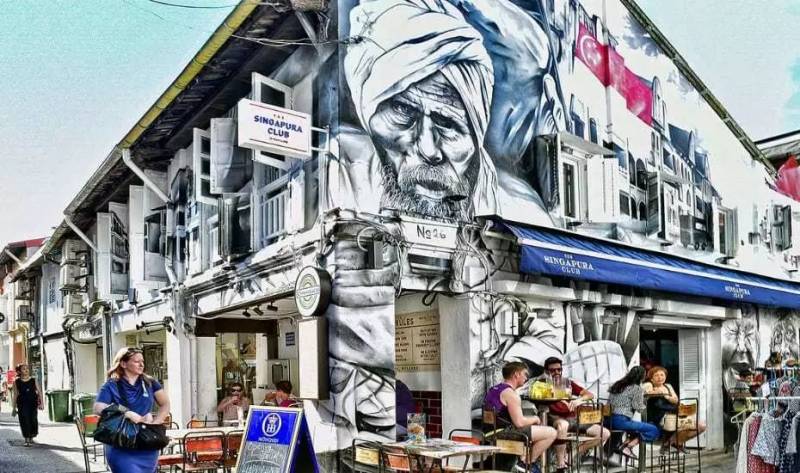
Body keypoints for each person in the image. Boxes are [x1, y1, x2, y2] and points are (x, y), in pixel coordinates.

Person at [94, 347, 170, 473]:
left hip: (147, 442)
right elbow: (98, 408)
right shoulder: (111, 385)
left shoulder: (150, 383)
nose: (141, 364)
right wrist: (126, 412)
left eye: (142, 361)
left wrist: (155, 423)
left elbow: (165, 404)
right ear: (123, 364)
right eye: (136, 361)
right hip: (121, 442)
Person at [484, 361, 558, 470]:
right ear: (516, 374)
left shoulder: (493, 389)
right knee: (551, 433)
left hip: (489, 432)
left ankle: (522, 459)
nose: (526, 378)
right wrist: (536, 419)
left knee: (533, 432)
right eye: (525, 374)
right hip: (502, 433)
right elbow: (519, 423)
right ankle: (526, 463)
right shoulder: (511, 394)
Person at [543, 357, 610, 472]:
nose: (557, 373)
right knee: (563, 425)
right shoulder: (542, 384)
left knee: (605, 433)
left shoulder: (567, 383)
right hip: (556, 418)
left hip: (574, 419)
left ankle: (572, 454)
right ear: (546, 371)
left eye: (559, 370)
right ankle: (561, 465)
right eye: (553, 370)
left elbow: (589, 394)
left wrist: (579, 400)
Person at [643, 366, 706, 452]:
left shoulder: (668, 386)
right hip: (660, 419)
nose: (660, 377)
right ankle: (670, 443)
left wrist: (666, 396)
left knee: (701, 426)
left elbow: (676, 400)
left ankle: (674, 443)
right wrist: (657, 392)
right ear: (651, 378)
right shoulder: (649, 385)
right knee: (687, 425)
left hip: (674, 415)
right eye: (656, 375)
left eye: (662, 375)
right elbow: (647, 393)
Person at [606, 366, 659, 460]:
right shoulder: (636, 388)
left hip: (608, 420)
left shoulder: (617, 385)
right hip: (621, 421)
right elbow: (638, 408)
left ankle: (624, 444)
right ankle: (628, 447)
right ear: (642, 377)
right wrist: (646, 399)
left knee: (638, 430)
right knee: (653, 429)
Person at [11, 363, 42, 446]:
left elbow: (39, 392)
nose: (26, 370)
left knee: (33, 419)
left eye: (27, 368)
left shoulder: (33, 380)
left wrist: (41, 403)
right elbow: (15, 395)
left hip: (33, 403)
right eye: (24, 369)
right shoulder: (16, 382)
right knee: (24, 420)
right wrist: (14, 408)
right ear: (20, 371)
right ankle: (26, 439)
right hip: (22, 403)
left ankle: (31, 435)